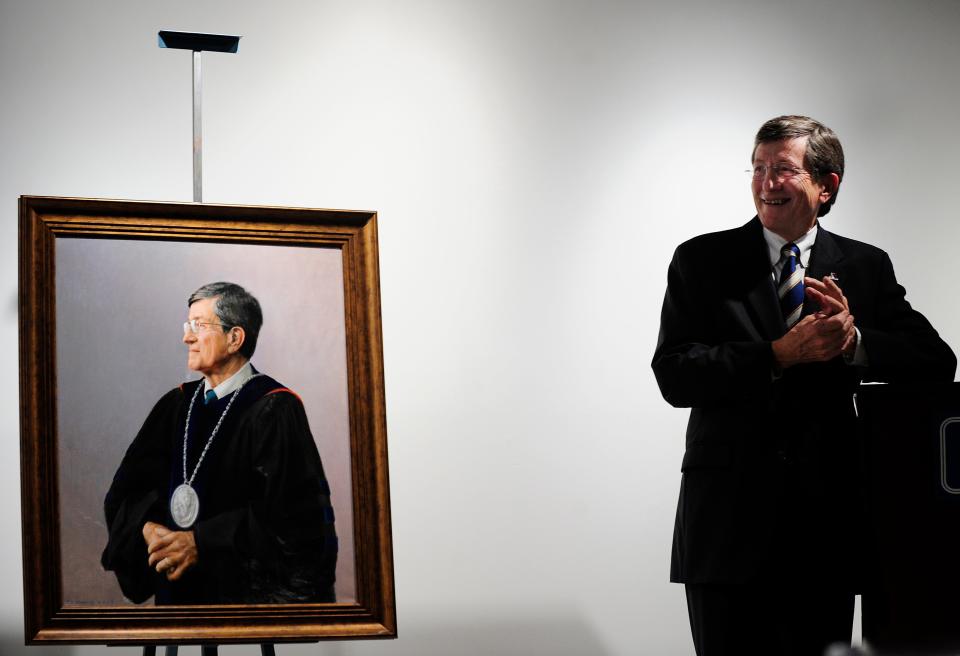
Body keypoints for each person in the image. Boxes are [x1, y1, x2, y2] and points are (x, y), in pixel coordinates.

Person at [651, 115, 956, 655]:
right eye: (759, 168)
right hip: (726, 529)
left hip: (826, 532)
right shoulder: (701, 260)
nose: (767, 182)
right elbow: (675, 372)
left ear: (827, 184)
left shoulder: (865, 267)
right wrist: (774, 355)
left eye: (783, 170)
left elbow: (936, 361)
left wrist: (855, 342)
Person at [101, 282, 338, 604]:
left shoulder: (274, 408)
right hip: (174, 584)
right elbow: (126, 492)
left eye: (199, 326)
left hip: (238, 594)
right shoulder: (176, 405)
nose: (187, 337)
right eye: (188, 325)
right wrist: (147, 529)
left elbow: (292, 519)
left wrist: (202, 541)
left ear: (234, 338)